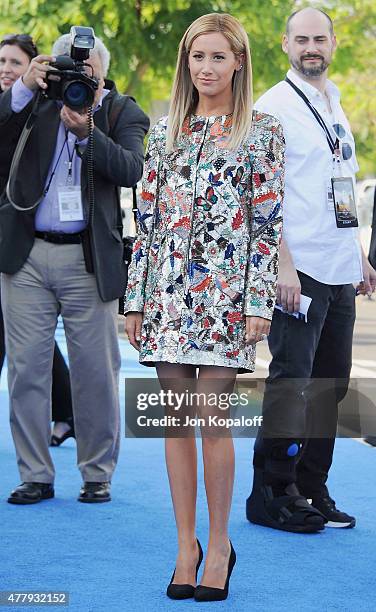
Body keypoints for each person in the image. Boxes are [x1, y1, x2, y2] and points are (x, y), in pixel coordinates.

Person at [125, 13, 284, 601]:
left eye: (218, 57)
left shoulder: (262, 132)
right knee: (174, 422)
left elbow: (267, 227)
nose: (206, 68)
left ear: (238, 61)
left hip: (226, 298)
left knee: (213, 421)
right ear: (185, 63)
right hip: (166, 294)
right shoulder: (166, 131)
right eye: (198, 57)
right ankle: (185, 544)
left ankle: (219, 544)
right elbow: (145, 224)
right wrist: (136, 298)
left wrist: (258, 300)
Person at [0, 31, 149, 504]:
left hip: (87, 259)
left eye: (86, 75)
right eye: (67, 71)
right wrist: (24, 86)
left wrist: (89, 132)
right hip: (26, 255)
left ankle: (97, 472)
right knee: (26, 371)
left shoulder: (123, 110)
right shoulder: (35, 101)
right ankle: (36, 474)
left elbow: (131, 169)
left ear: (102, 75)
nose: (76, 82)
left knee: (96, 373)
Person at [246, 7, 376, 533]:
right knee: (291, 384)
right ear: (285, 44)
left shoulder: (334, 102)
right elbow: (262, 195)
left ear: (333, 42)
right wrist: (282, 264)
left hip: (338, 267)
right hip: (297, 272)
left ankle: (311, 486)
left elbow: (342, 181)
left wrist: (359, 254)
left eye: (319, 38)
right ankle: (272, 492)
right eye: (302, 40)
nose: (311, 48)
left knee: (331, 387)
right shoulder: (272, 107)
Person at [0, 33, 74, 446]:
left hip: (19, 237)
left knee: (27, 338)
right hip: (11, 240)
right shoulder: (9, 106)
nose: (6, 69)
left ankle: (66, 412)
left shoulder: (39, 105)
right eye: (2, 61)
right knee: (26, 339)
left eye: (15, 62)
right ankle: (66, 413)